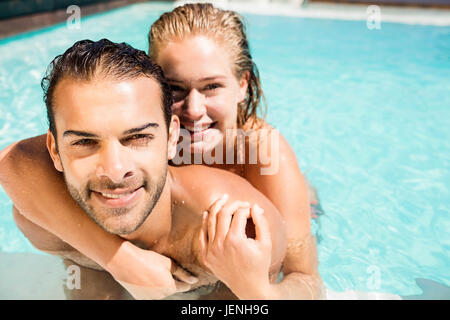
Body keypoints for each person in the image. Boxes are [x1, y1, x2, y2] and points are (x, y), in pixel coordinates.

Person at [0, 3, 324, 299]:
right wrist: (119, 258)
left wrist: (259, 290)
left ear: (242, 85)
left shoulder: (264, 154)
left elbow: (306, 279)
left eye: (212, 87)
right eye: (175, 89)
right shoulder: (135, 133)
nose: (194, 110)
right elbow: (13, 162)